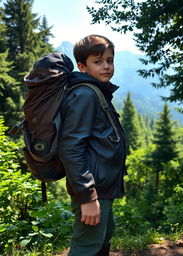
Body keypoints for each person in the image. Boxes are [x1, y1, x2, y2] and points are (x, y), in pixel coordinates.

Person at [58, 35, 126, 256]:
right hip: (93, 187)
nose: (106, 66)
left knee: (103, 237)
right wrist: (88, 197)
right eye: (98, 62)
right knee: (86, 246)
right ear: (82, 66)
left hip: (103, 186)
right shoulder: (84, 95)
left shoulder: (96, 90)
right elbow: (71, 147)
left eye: (109, 60)